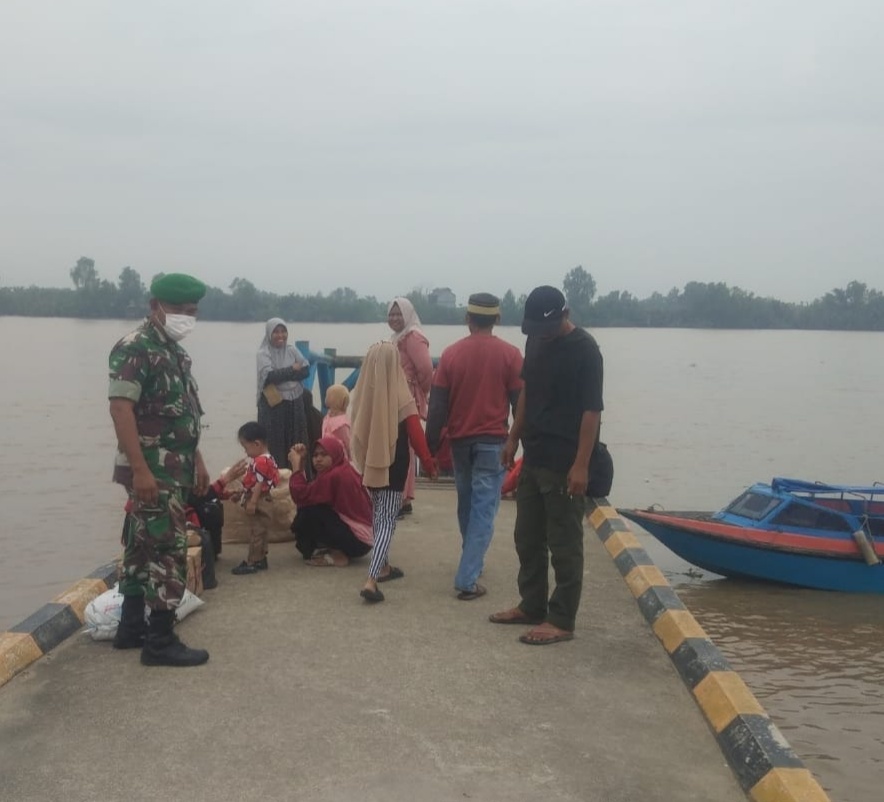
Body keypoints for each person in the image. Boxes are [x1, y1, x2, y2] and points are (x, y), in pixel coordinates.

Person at [108, 272, 212, 667]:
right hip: (153, 471)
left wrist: (198, 460)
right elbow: (121, 409)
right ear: (155, 307)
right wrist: (140, 471)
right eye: (179, 311)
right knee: (169, 548)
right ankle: (160, 640)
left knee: (139, 546)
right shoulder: (136, 348)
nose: (187, 317)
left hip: (175, 467)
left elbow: (184, 413)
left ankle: (132, 628)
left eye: (193, 312)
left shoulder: (174, 353)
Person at [490, 286, 604, 646]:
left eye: (547, 328)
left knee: (565, 542)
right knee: (527, 537)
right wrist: (512, 437)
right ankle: (532, 604)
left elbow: (592, 410)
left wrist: (582, 465)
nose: (541, 335)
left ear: (564, 315)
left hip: (565, 459)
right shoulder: (536, 342)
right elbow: (527, 392)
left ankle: (562, 619)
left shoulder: (585, 351)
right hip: (533, 454)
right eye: (535, 330)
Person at [426, 293, 523, 601]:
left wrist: (429, 449)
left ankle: (472, 561)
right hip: (494, 443)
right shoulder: (511, 355)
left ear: (467, 318)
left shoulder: (451, 355)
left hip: (459, 442)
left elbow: (437, 406)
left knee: (467, 504)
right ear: (497, 318)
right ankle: (467, 577)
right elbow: (521, 406)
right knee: (483, 509)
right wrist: (517, 442)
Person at [350, 341, 437, 603]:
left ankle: (384, 566)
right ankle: (372, 578)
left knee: (378, 514)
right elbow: (416, 434)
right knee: (387, 519)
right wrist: (430, 464)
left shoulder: (361, 396)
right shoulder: (400, 394)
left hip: (369, 463)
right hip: (394, 463)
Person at [288, 437, 373, 567]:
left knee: (308, 512)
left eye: (324, 454)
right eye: (315, 455)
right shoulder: (344, 467)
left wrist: (296, 467)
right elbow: (310, 491)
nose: (318, 459)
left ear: (334, 453)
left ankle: (338, 555)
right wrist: (302, 461)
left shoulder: (335, 475)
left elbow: (301, 496)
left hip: (357, 541)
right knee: (312, 508)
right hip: (364, 541)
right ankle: (332, 549)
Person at [387, 297, 434, 516]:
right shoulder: (399, 337)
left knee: (405, 447)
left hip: (405, 398)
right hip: (396, 397)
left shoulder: (413, 337)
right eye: (391, 314)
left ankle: (403, 499)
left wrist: (417, 390)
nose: (395, 318)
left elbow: (426, 369)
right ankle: (400, 497)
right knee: (399, 446)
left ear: (407, 315)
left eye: (399, 314)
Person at [256, 318, 312, 470]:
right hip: (274, 406)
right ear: (269, 334)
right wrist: (292, 369)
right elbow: (269, 377)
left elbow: (305, 371)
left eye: (283, 331)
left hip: (295, 404)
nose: (280, 335)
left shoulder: (292, 350)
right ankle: (275, 480)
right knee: (275, 444)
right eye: (276, 332)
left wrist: (284, 373)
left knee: (297, 442)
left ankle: (299, 480)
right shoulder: (263, 353)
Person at [231, 421, 280, 575]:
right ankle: (261, 558)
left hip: (259, 499)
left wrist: (252, 502)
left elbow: (259, 483)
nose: (246, 452)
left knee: (256, 533)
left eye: (246, 447)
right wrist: (241, 493)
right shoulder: (268, 459)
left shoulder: (260, 461)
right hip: (264, 498)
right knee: (262, 531)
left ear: (257, 444)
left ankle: (253, 561)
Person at [321, 383, 352, 461]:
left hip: (334, 457)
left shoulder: (338, 422)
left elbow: (348, 444)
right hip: (333, 458)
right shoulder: (332, 419)